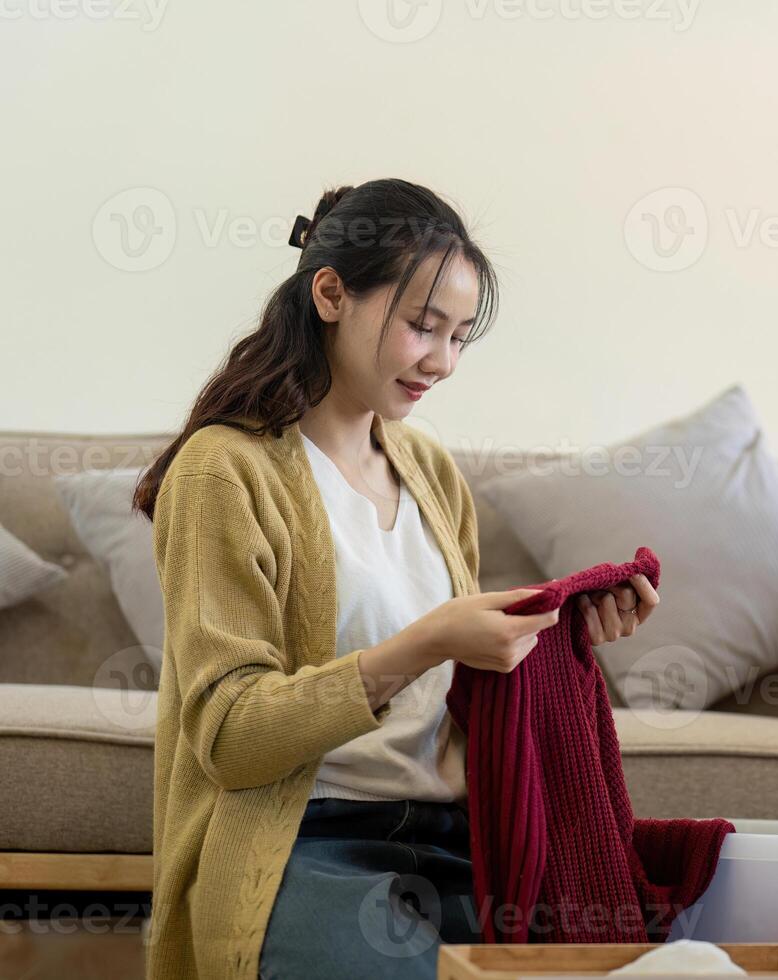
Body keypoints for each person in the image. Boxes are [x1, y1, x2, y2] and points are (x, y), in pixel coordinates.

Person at [131, 178, 659, 979]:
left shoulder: (429, 471)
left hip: (454, 838)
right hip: (307, 841)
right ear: (332, 293)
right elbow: (231, 737)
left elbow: (461, 687)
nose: (442, 362)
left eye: (459, 338)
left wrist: (557, 631)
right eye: (422, 327)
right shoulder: (224, 473)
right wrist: (419, 645)